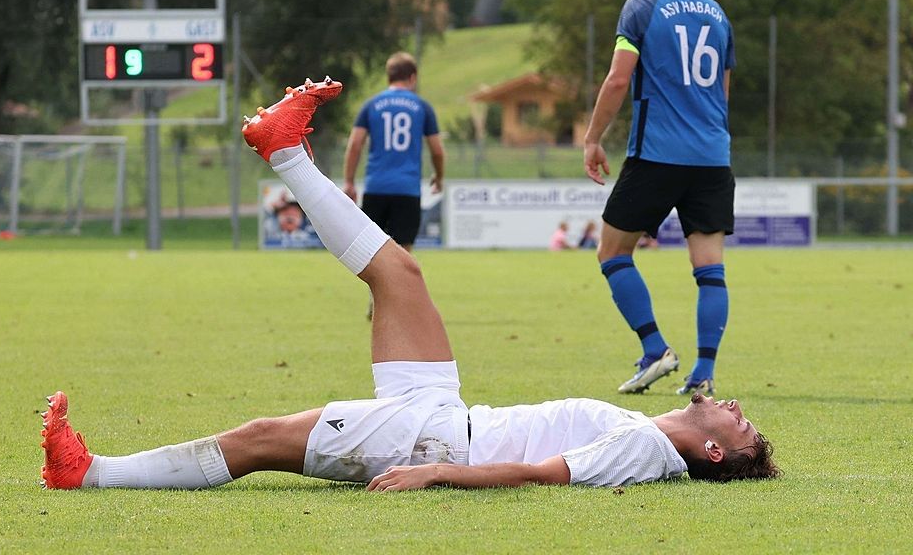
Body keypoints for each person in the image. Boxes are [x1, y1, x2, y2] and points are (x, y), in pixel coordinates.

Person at [40, 76, 778, 492]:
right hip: (444, 411)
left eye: (738, 425)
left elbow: (544, 473)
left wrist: (436, 480)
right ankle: (284, 146)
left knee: (260, 440)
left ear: (713, 453)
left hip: (434, 441)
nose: (736, 406)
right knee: (400, 271)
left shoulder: (648, 454)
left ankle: (93, 473)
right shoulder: (649, 437)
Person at [583, 0, 735, 396]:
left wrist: (592, 137)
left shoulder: (641, 8)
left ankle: (655, 349)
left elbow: (618, 79)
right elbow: (723, 92)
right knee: (710, 267)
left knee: (612, 252)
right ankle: (703, 374)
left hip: (657, 155)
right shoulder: (718, 14)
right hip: (713, 157)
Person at [343, 52, 445, 252]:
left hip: (376, 188)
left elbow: (355, 144)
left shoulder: (371, 105)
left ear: (389, 76)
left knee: (371, 253)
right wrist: (439, 177)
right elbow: (437, 151)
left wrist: (349, 181)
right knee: (404, 252)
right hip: (407, 189)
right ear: (413, 77)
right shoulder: (423, 107)